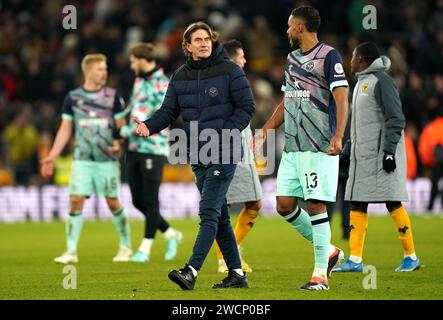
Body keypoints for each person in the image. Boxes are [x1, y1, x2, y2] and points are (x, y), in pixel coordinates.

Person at [133, 22, 255, 290]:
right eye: (197, 40)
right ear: (187, 46)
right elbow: (168, 111)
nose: (204, 43)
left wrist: (224, 131)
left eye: (207, 39)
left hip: (224, 149)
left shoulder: (230, 71)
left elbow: (247, 108)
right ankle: (236, 274)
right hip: (198, 153)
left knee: (208, 211)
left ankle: (191, 270)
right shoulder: (180, 76)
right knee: (220, 216)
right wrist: (148, 126)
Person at [254, 5, 348, 291]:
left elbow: (342, 99)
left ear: (299, 27)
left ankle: (320, 275)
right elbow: (288, 100)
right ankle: (330, 252)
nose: (286, 31)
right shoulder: (292, 59)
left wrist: (339, 136)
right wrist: (266, 130)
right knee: (284, 205)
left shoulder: (329, 56)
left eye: (288, 26)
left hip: (319, 144)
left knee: (316, 204)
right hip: (294, 147)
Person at [333, 42, 420, 273]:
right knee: (357, 202)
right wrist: (348, 149)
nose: (349, 61)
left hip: (382, 155)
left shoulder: (382, 81)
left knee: (392, 201)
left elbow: (396, 118)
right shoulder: (362, 82)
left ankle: (411, 256)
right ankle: (355, 260)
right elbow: (360, 126)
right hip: (363, 157)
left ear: (361, 58)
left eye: (352, 57)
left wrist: (390, 152)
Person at [41, 54, 132, 264]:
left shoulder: (113, 96)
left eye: (105, 68)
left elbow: (120, 127)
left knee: (112, 202)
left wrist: (118, 143)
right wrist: (52, 155)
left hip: (107, 160)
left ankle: (125, 246)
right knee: (75, 200)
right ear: (88, 71)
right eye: (101, 69)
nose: (105, 73)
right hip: (82, 159)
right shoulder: (72, 98)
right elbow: (65, 129)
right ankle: (71, 251)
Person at [116, 43, 183, 263]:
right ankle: (171, 234)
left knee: (151, 200)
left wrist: (125, 130)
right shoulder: (138, 81)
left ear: (143, 60)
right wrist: (118, 118)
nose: (131, 64)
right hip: (134, 148)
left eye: (134, 60)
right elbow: (135, 107)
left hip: (153, 148)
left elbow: (162, 116)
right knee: (137, 201)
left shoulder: (163, 84)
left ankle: (144, 249)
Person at [214, 39, 263, 274]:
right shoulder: (231, 79)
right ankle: (226, 257)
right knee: (251, 204)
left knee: (223, 205)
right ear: (232, 57)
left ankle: (227, 255)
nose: (245, 60)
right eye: (241, 56)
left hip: (233, 148)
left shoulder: (223, 79)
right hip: (233, 151)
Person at [418, 110, 443, 212]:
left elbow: (424, 147)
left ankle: (430, 207)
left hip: (437, 161)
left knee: (435, 183)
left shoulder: (431, 128)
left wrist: (427, 162)